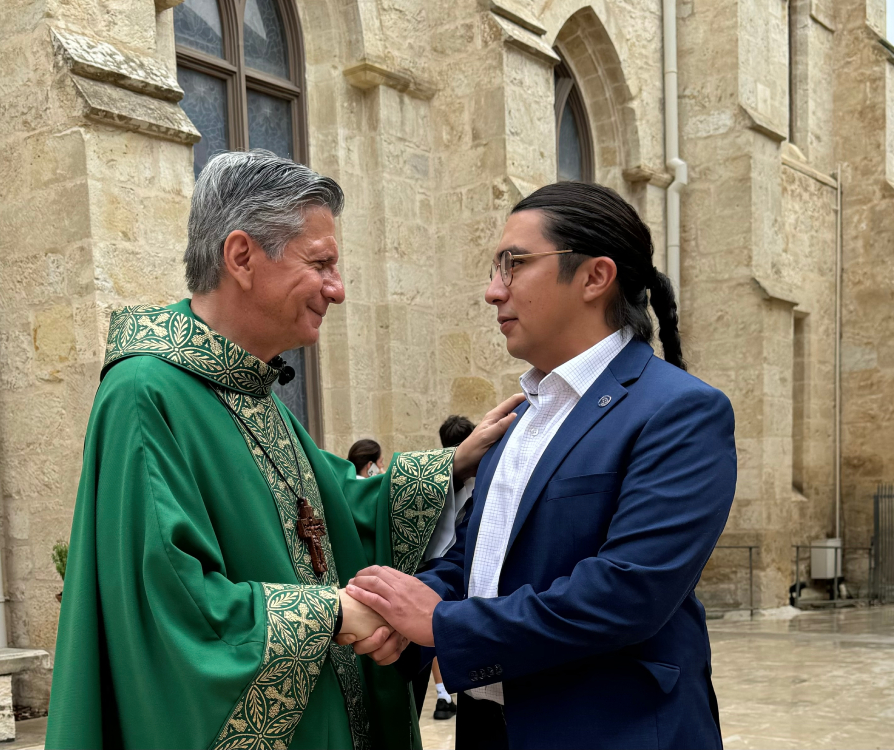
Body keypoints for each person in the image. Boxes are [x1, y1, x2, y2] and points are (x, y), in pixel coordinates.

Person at [45, 150, 524, 750]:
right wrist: (332, 615)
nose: (338, 289)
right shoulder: (146, 395)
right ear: (241, 256)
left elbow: (335, 507)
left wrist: (449, 466)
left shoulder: (250, 387)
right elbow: (169, 602)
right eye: (320, 263)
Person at [346, 182, 737, 749]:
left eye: (514, 264)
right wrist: (398, 608)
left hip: (608, 730)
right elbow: (474, 559)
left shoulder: (679, 411)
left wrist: (442, 624)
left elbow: (627, 593)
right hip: (491, 727)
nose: (491, 291)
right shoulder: (524, 416)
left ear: (594, 277)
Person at [412, 416, 476, 720]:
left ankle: (444, 695)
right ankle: (442, 696)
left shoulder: (489, 483)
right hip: (441, 586)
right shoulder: (439, 486)